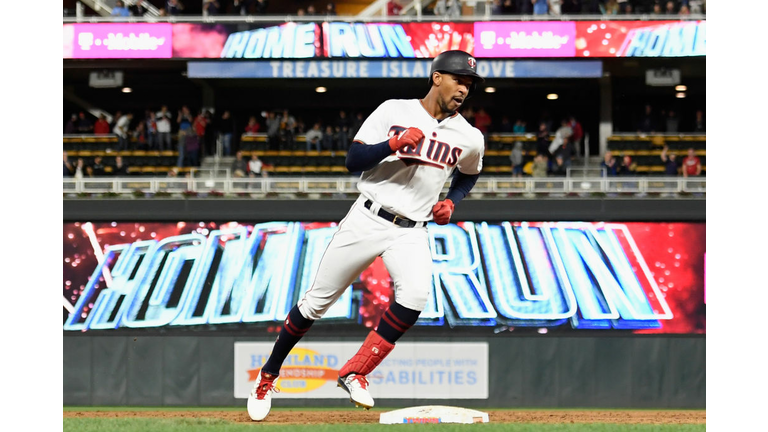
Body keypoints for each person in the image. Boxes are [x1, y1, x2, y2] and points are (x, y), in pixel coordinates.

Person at [247, 50, 485, 422]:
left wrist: (453, 201)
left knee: (415, 297)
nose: (464, 89)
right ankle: (268, 375)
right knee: (315, 303)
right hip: (368, 217)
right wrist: (394, 144)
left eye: (469, 84)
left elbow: (469, 174)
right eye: (459, 80)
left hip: (412, 229)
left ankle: (356, 371)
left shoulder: (469, 136)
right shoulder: (394, 110)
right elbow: (353, 161)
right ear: (437, 77)